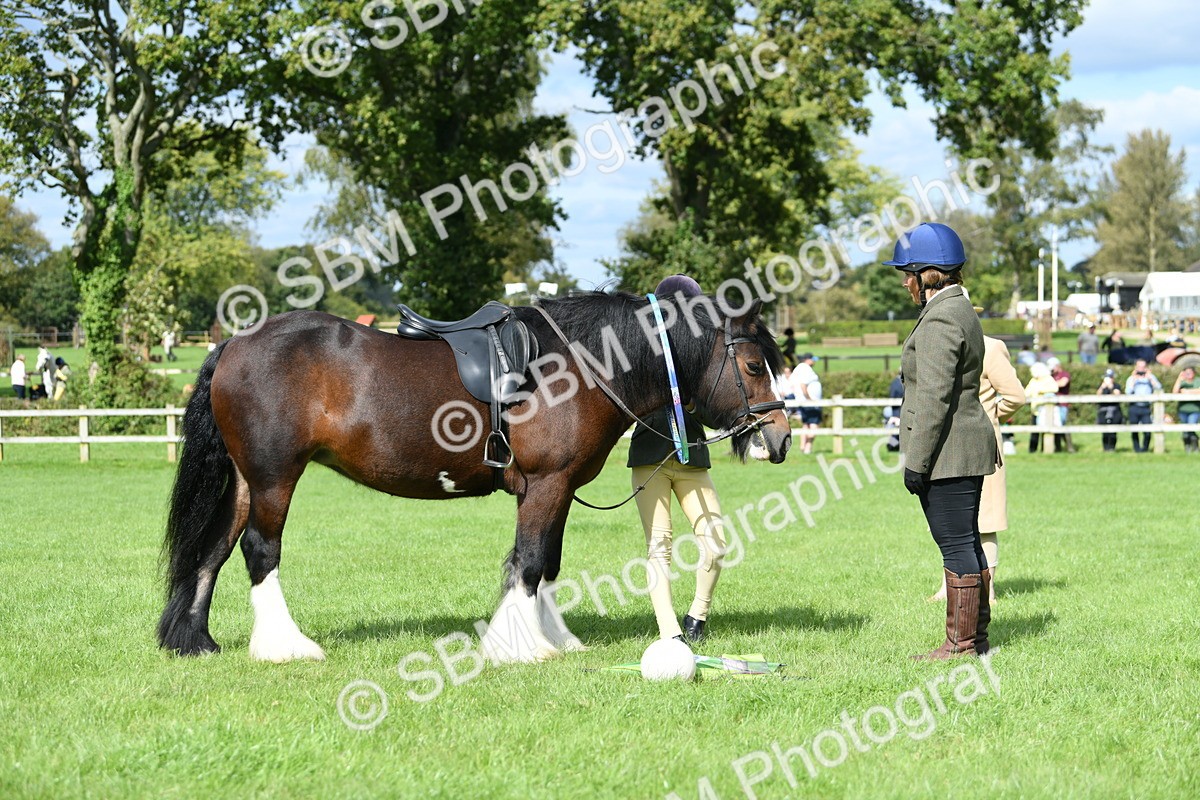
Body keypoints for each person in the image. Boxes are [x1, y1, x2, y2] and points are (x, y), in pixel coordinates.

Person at [887, 221, 997, 659]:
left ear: (925, 274)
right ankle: (976, 639)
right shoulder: (959, 308)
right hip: (962, 445)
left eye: (907, 274)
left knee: (955, 543)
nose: (904, 283)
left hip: (949, 450)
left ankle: (961, 644)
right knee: (966, 540)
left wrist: (916, 462)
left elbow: (933, 397)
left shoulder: (940, 318)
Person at [628, 273, 728, 644]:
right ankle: (669, 630)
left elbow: (714, 412)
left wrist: (692, 403)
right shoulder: (641, 350)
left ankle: (697, 615)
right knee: (660, 546)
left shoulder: (701, 355)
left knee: (716, 543)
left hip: (693, 459)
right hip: (650, 458)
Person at [930, 304, 1025, 605]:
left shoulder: (991, 347)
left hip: (982, 445)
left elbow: (1015, 395)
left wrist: (990, 416)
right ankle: (949, 585)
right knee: (950, 518)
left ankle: (988, 588)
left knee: (986, 520)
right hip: (946, 443)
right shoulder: (938, 345)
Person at [1125, 360, 1161, 453]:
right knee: (1134, 429)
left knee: (1147, 429)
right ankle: (1136, 449)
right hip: (1134, 406)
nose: (1141, 369)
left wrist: (1150, 378)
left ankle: (1145, 448)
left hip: (1146, 407)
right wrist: (1134, 379)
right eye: (1139, 367)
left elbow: (1159, 387)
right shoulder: (1131, 379)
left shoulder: (1150, 377)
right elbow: (1128, 392)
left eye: (1143, 367)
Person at [1025, 362, 1059, 453]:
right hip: (1035, 410)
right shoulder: (1033, 380)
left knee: (1046, 431)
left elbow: (1055, 388)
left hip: (1045, 410)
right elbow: (1027, 392)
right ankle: (1032, 450)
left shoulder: (1048, 379)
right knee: (1034, 431)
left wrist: (1040, 391)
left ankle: (1045, 449)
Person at [792, 353, 822, 454]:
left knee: (806, 424)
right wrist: (809, 398)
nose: (814, 361)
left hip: (803, 401)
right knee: (814, 425)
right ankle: (808, 447)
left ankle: (802, 446)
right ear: (807, 359)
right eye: (813, 359)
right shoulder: (806, 369)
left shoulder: (799, 369)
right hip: (810, 403)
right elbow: (803, 385)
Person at [1047, 357, 1075, 453]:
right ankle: (1057, 447)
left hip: (1062, 404)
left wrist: (1049, 383)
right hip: (1052, 405)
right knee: (1054, 425)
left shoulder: (1065, 374)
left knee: (1061, 424)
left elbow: (1063, 383)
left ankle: (1069, 447)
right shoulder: (1051, 376)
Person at [1171, 366, 1200, 453]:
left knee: (1191, 426)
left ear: (1194, 373)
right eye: (1186, 373)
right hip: (1183, 410)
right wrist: (1179, 379)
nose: (1188, 374)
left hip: (1194, 409)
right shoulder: (1182, 382)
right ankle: (1188, 447)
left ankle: (1195, 447)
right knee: (1185, 429)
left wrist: (1187, 391)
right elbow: (1175, 392)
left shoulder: (1197, 381)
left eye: (1190, 372)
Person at [1096, 369, 1124, 452]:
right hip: (1103, 411)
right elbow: (1097, 395)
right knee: (1104, 431)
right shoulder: (1101, 386)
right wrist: (1102, 387)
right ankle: (1105, 448)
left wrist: (1111, 387)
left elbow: (1117, 394)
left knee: (1113, 431)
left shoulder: (1116, 386)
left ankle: (1112, 448)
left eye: (1110, 377)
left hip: (1114, 411)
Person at [884, 372, 904, 452]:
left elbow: (892, 395)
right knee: (897, 428)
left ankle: (893, 445)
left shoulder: (895, 382)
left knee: (895, 428)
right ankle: (892, 446)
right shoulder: (899, 382)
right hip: (897, 409)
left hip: (896, 409)